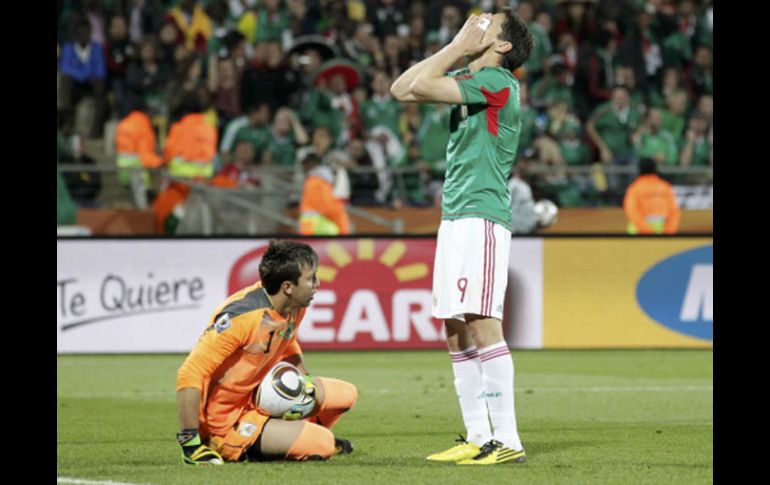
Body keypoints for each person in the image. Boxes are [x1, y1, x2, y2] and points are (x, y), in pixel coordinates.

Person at [391, 9, 533, 465]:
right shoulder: (473, 78)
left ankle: (507, 439)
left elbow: (421, 87)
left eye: (489, 25)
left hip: (482, 215)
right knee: (454, 328)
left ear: (503, 46)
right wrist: (456, 49)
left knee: (482, 321)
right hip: (455, 216)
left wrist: (456, 47)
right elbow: (400, 89)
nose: (478, 24)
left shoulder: (498, 82)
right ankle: (477, 435)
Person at [176, 240, 358, 464]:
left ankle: (295, 435)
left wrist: (303, 381)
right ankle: (233, 445)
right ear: (287, 287)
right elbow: (190, 373)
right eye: (311, 278)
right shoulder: (242, 318)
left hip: (258, 396)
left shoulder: (293, 306)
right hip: (225, 423)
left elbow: (288, 340)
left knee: (346, 394)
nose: (317, 284)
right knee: (323, 443)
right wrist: (190, 443)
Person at [623, 158, 680, 234]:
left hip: (639, 232)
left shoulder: (634, 188)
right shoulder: (665, 187)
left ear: (639, 169)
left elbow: (631, 210)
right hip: (662, 230)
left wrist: (646, 229)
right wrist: (669, 230)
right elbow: (674, 211)